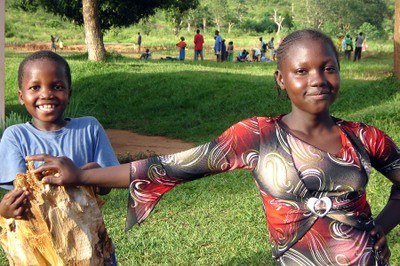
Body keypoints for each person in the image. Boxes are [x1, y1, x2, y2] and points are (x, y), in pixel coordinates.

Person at [28, 29, 399, 265]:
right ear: (281, 79)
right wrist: (79, 174)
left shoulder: (364, 138)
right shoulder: (256, 136)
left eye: (328, 68)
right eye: (301, 71)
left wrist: (381, 227)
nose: (317, 79)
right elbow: (171, 165)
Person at [0, 50, 120, 265]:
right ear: (21, 96)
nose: (46, 94)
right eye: (35, 87)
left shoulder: (89, 128)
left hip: (88, 240)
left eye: (57, 86)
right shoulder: (15, 136)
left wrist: (91, 177)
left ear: (69, 92)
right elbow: (20, 196)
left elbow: (108, 184)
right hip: (40, 249)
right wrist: (5, 211)